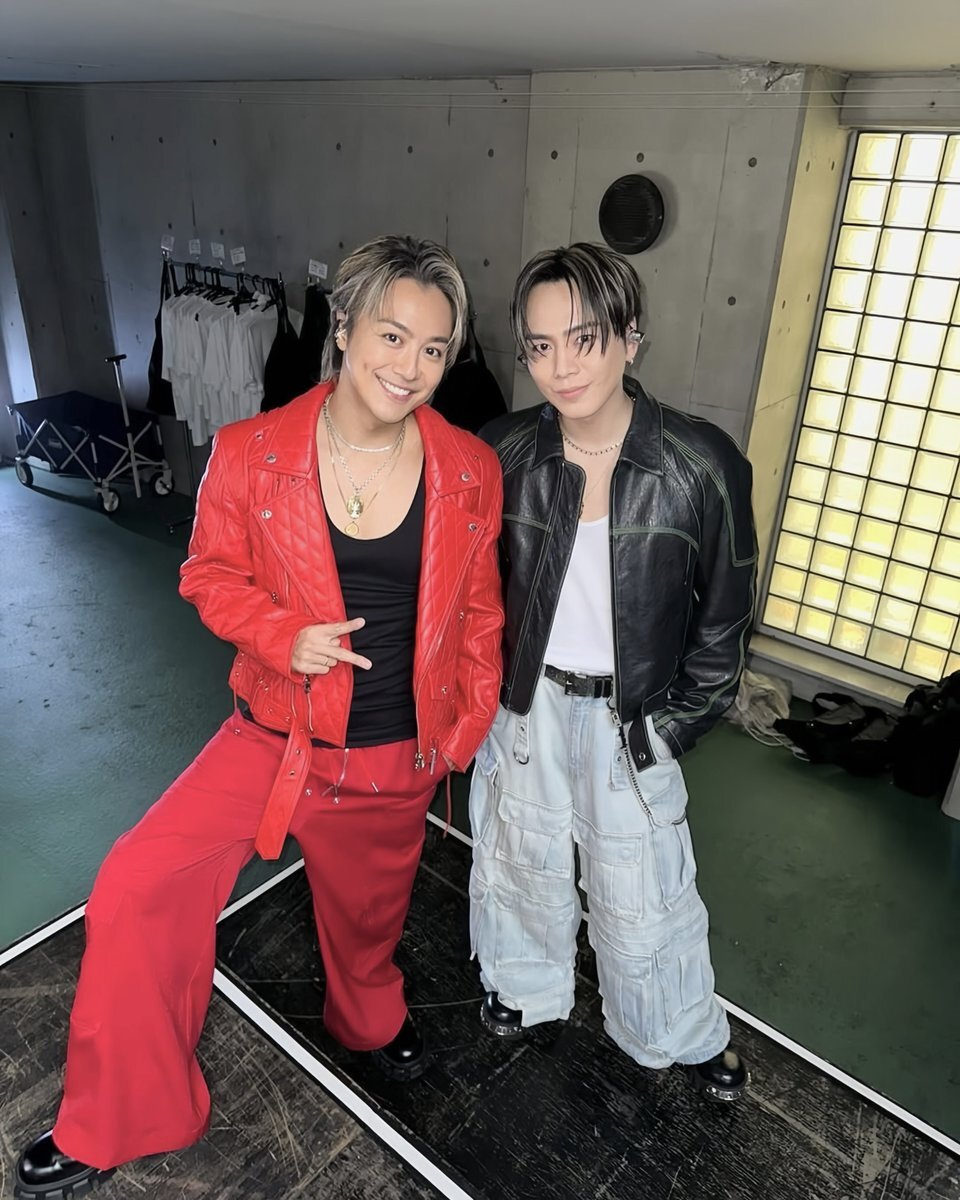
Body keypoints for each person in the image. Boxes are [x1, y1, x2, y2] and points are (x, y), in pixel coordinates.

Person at [15, 235, 504, 1198]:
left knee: (368, 924)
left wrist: (459, 735)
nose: (410, 366)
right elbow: (206, 573)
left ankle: (369, 1019)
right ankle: (117, 1114)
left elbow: (482, 614)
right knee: (134, 887)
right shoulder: (250, 453)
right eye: (393, 335)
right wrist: (282, 635)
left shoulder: (470, 467)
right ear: (344, 327)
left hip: (395, 754)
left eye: (434, 348)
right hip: (274, 737)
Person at [469, 243, 757, 1102]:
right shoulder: (503, 451)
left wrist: (670, 729)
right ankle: (525, 989)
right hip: (527, 705)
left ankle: (676, 1029)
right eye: (540, 345)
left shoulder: (699, 464)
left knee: (645, 889)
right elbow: (471, 596)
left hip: (632, 718)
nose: (561, 367)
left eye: (584, 339)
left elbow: (726, 623)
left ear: (632, 337)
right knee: (519, 860)